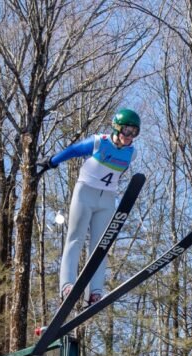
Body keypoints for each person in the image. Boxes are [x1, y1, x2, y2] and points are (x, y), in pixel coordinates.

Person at [39, 108, 140, 307]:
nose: (129, 137)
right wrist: (51, 162)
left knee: (100, 246)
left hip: (107, 200)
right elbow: (73, 151)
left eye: (134, 132)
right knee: (75, 238)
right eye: (126, 131)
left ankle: (95, 291)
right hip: (85, 193)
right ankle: (67, 285)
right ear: (116, 128)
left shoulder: (132, 153)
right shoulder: (98, 142)